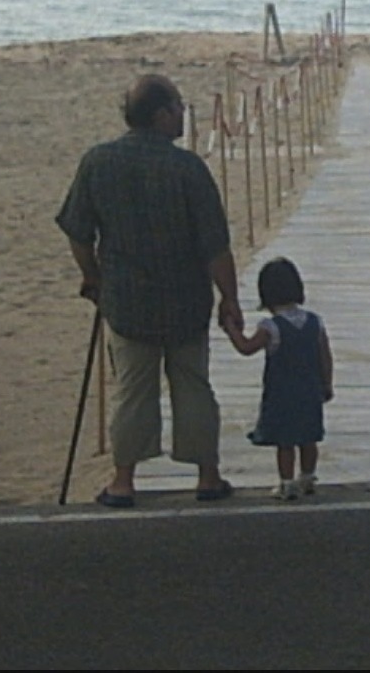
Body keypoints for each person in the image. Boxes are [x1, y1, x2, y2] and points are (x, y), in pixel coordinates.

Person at [56, 73, 244, 507]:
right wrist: (229, 297)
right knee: (193, 386)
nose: (183, 113)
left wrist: (92, 276)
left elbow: (78, 231)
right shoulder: (188, 168)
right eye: (178, 106)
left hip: (127, 300)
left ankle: (123, 480)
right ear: (161, 115)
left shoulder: (98, 162)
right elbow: (215, 245)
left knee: (132, 391)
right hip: (185, 300)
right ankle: (208, 476)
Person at [225, 256, 334, 501]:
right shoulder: (315, 322)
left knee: (285, 442)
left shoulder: (270, 327)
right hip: (309, 390)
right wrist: (327, 383)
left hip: (282, 393)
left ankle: (286, 483)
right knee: (308, 438)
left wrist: (231, 329)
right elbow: (325, 356)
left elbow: (246, 347)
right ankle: (308, 477)